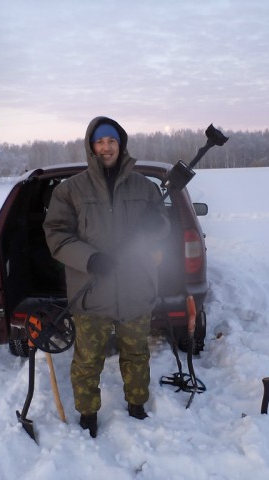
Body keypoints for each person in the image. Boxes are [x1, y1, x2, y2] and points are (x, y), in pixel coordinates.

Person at [43, 116, 170, 438]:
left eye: (112, 141)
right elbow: (56, 235)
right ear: (91, 146)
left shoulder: (145, 187)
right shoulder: (69, 190)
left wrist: (153, 229)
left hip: (136, 288)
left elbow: (162, 226)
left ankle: (137, 405)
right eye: (100, 141)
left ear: (121, 144)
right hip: (91, 292)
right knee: (87, 362)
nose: (106, 147)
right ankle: (87, 415)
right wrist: (90, 258)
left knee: (137, 355)